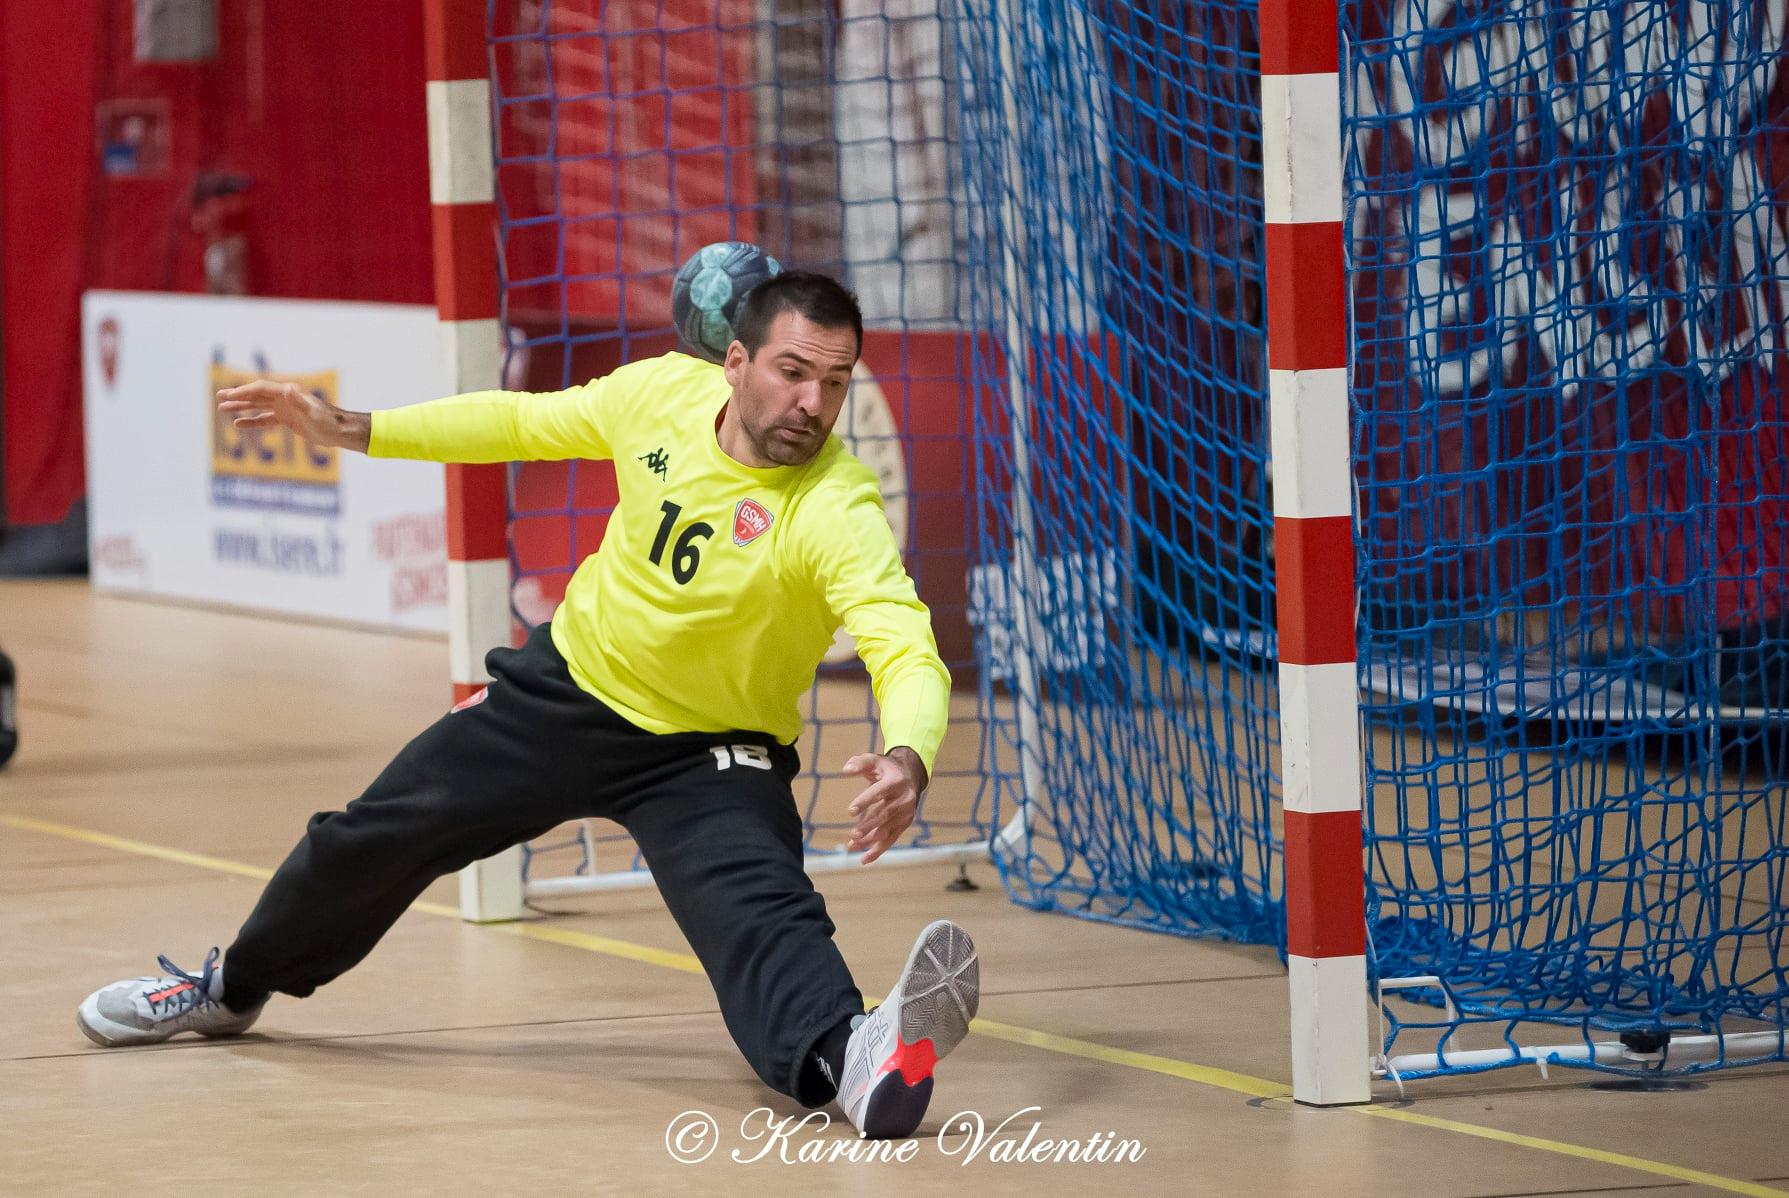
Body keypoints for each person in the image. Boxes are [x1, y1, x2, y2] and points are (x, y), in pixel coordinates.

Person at [76, 272, 979, 1141]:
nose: (812, 405)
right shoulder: (660, 395)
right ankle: (230, 988)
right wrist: (351, 428)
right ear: (735, 364)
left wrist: (907, 754)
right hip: (569, 693)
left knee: (762, 917)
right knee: (372, 833)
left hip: (710, 749)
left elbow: (903, 641)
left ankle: (853, 1058)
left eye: (834, 381)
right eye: (792, 372)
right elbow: (518, 420)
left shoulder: (836, 505)